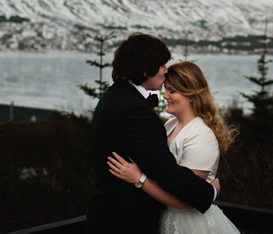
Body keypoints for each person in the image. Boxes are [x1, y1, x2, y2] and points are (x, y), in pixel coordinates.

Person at [85, 34, 219, 234]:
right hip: (124, 223)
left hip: (113, 217)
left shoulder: (117, 96)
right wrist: (210, 192)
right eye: (162, 65)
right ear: (146, 70)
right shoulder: (132, 109)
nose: (166, 70)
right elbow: (166, 172)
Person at [107, 60, 242, 234]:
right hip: (166, 218)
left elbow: (186, 200)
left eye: (172, 91)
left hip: (191, 225)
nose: (165, 96)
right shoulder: (170, 125)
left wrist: (139, 179)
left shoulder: (201, 135)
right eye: (166, 90)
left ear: (191, 95)